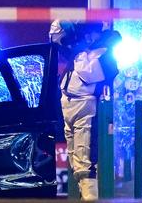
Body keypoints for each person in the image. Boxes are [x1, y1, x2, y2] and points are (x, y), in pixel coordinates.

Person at [49, 20, 121, 200]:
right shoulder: (82, 50)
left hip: (85, 107)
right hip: (68, 106)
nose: (87, 37)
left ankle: (90, 196)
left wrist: (79, 50)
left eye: (91, 33)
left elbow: (90, 74)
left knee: (85, 157)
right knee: (73, 157)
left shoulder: (103, 52)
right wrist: (70, 31)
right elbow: (56, 33)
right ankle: (74, 192)